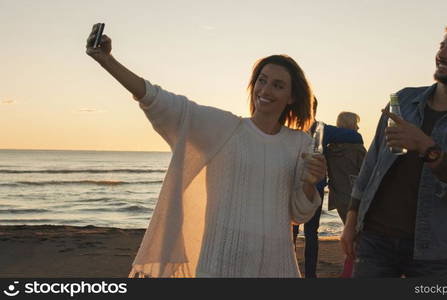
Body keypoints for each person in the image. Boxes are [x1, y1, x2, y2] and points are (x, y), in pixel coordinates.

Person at [85, 27, 327, 277]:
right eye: (262, 80)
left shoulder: (300, 143)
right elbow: (159, 100)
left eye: (277, 85)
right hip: (220, 262)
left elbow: (299, 214)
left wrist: (310, 183)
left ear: (291, 97)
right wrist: (107, 61)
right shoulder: (224, 128)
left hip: (276, 265)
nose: (265, 90)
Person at [340, 18, 447, 278]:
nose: (442, 54)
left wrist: (428, 148)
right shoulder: (403, 100)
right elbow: (370, 166)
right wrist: (351, 222)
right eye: (442, 46)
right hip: (374, 239)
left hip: (434, 251)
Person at [292, 100, 363, 278]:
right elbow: (356, 137)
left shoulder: (298, 129)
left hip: (307, 189)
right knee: (308, 233)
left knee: (297, 234)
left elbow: (355, 137)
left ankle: (303, 274)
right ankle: (308, 275)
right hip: (299, 189)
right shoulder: (322, 129)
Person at [326, 112, 366, 278]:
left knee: (351, 235)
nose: (357, 127)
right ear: (349, 126)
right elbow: (367, 172)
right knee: (360, 237)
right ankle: (350, 271)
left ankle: (348, 270)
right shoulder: (357, 148)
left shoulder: (329, 150)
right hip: (356, 198)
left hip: (339, 197)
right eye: (355, 124)